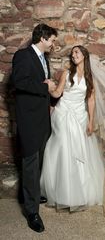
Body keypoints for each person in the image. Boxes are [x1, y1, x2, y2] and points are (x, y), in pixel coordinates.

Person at [40, 45, 105, 210]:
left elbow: (91, 100)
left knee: (81, 151)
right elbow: (58, 93)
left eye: (76, 52)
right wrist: (49, 87)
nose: (73, 55)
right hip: (63, 113)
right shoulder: (66, 73)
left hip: (80, 114)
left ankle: (80, 192)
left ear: (84, 55)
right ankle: (61, 192)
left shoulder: (89, 77)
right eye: (72, 54)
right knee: (63, 145)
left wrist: (91, 121)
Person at [12, 23, 57, 233]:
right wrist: (45, 86)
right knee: (30, 162)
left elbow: (43, 87)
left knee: (37, 160)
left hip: (42, 120)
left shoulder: (43, 58)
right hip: (29, 120)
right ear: (43, 38)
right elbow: (19, 83)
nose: (53, 44)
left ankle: (31, 192)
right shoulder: (23, 56)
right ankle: (32, 212)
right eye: (52, 40)